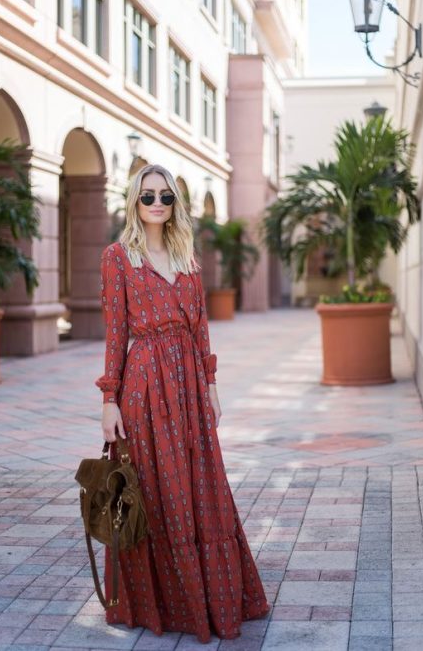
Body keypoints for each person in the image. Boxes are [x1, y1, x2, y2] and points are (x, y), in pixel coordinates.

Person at [95, 163, 269, 643]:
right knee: (156, 491)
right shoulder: (118, 257)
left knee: (203, 489)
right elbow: (116, 334)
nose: (156, 204)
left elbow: (200, 327)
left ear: (175, 204)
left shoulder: (186, 256)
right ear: (134, 201)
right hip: (146, 386)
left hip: (190, 385)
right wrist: (110, 400)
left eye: (165, 197)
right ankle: (168, 606)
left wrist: (210, 386)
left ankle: (213, 599)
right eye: (148, 196)